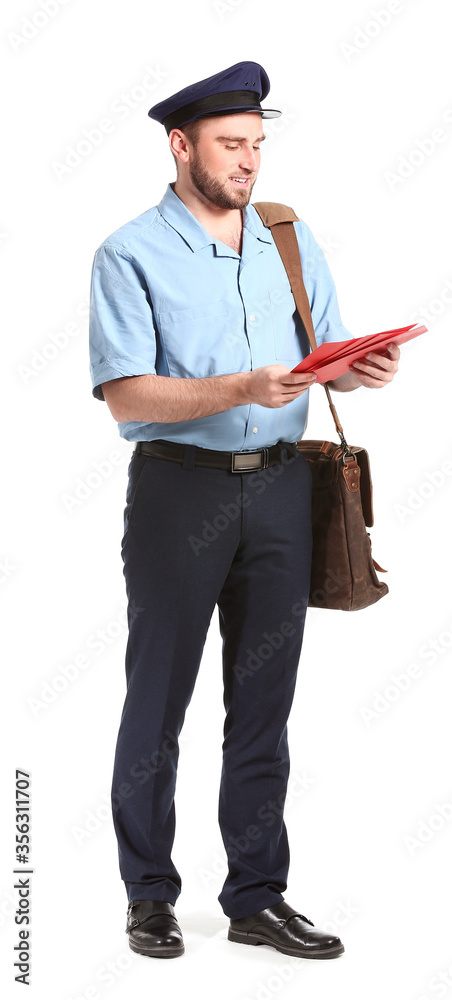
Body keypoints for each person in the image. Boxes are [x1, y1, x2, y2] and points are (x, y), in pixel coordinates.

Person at [88, 61, 399, 961]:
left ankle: (256, 896)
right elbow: (125, 398)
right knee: (159, 700)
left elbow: (322, 351)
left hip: (281, 491)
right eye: (231, 145)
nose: (249, 164)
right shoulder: (129, 252)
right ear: (180, 146)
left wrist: (358, 367)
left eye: (258, 146)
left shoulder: (285, 237)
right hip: (177, 490)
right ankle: (149, 896)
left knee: (264, 705)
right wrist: (240, 385)